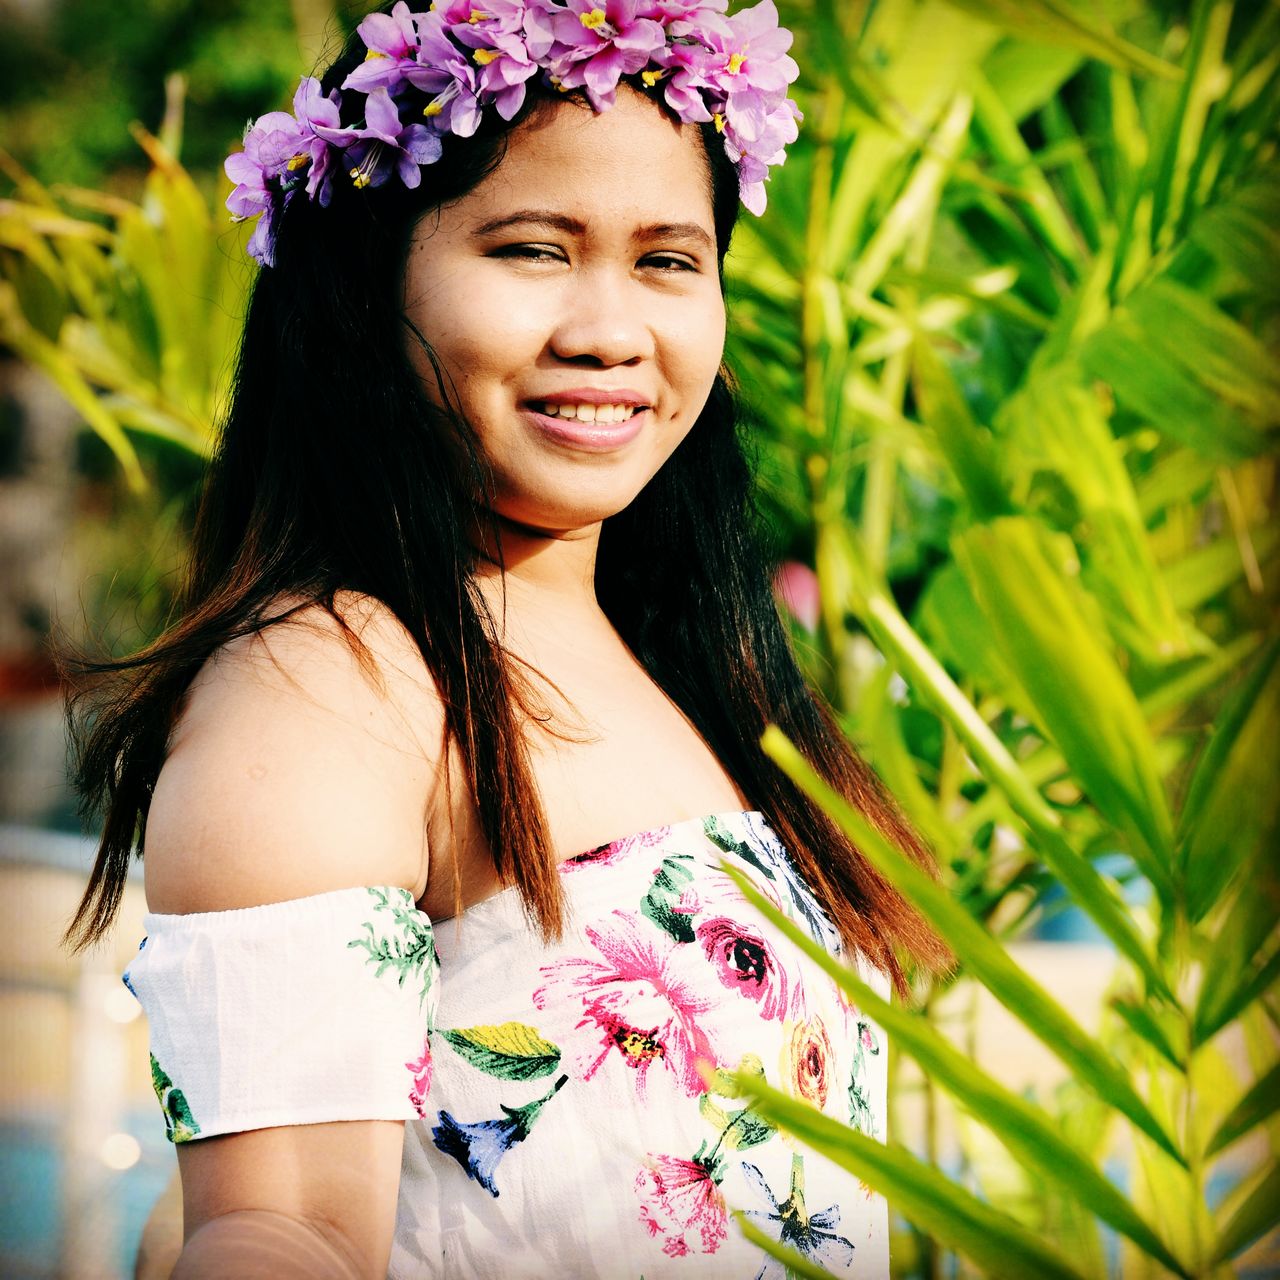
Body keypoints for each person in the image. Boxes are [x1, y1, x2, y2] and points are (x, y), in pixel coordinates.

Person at [64, 2, 947, 1275]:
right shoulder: (337, 681)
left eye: (666, 259)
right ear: (369, 289)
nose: (609, 329)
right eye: (533, 248)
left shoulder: (687, 670)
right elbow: (280, 1226)